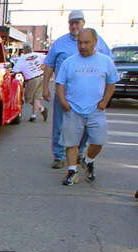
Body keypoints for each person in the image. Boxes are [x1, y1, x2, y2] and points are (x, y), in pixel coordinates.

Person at [43, 10, 112, 169]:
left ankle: (79, 153)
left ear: (83, 22)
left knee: (86, 127)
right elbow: (49, 65)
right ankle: (59, 156)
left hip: (90, 95)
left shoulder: (98, 41)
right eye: (71, 23)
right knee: (61, 125)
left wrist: (105, 98)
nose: (74, 25)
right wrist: (45, 87)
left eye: (77, 22)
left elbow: (108, 66)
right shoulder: (60, 43)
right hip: (65, 93)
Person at [55, 28, 118, 186]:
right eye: (80, 42)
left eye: (86, 42)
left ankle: (88, 160)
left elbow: (111, 83)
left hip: (95, 110)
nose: (82, 46)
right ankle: (72, 171)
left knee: (98, 141)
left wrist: (104, 102)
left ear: (95, 42)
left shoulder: (105, 61)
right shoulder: (69, 62)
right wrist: (63, 101)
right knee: (71, 143)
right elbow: (60, 83)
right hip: (73, 110)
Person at [13, 44, 47, 122]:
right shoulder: (38, 55)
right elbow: (49, 60)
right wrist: (43, 66)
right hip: (42, 76)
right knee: (36, 97)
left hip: (32, 79)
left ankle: (41, 109)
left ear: (24, 50)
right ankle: (34, 115)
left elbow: (15, 70)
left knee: (27, 98)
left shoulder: (22, 58)